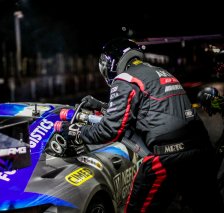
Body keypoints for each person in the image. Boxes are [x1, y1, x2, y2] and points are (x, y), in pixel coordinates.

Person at [58, 38, 224, 212]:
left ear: (112, 62)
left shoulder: (125, 78)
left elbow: (109, 130)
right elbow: (145, 110)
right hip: (200, 150)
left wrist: (77, 131)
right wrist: (101, 106)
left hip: (168, 157)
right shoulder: (159, 72)